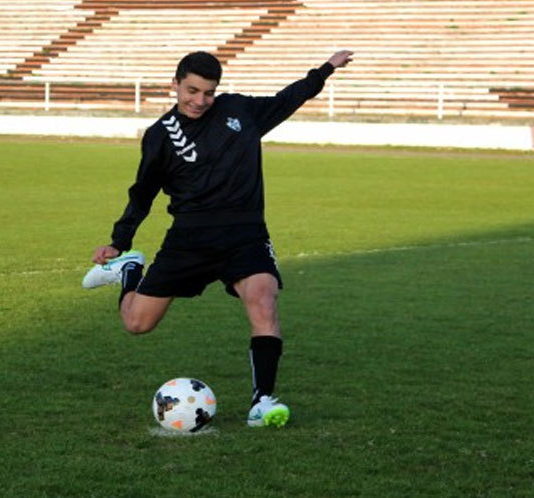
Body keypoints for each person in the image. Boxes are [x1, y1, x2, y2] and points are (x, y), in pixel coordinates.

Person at [82, 49, 354, 428]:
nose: (199, 101)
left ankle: (262, 402)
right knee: (137, 324)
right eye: (192, 90)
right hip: (189, 239)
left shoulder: (238, 111)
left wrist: (325, 70)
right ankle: (130, 271)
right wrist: (119, 241)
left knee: (263, 299)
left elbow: (288, 99)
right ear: (174, 84)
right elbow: (143, 192)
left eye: (208, 92)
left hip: (245, 234)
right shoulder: (161, 136)